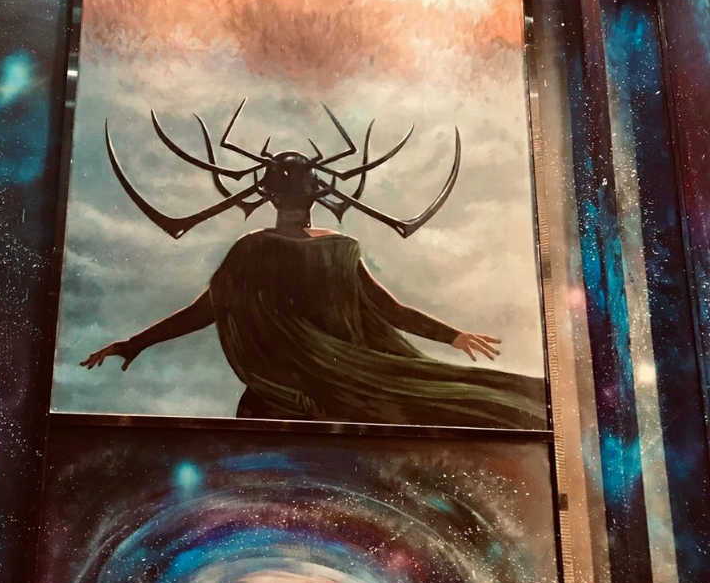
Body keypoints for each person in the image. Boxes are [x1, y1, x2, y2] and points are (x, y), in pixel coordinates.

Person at [81, 150, 545, 428]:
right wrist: (452, 336)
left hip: (280, 398)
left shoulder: (252, 249)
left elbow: (202, 312)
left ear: (267, 196)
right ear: (319, 193)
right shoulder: (336, 248)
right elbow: (391, 310)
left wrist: (136, 343)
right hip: (336, 396)